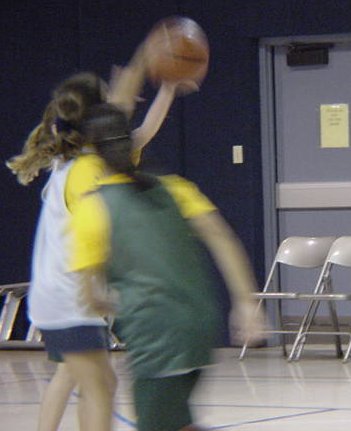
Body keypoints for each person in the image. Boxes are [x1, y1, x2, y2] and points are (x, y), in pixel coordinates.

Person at [6, 40, 196, 431]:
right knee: (101, 387)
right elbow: (129, 122)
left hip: (55, 295)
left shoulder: (69, 159)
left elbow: (136, 130)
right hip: (72, 295)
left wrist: (162, 87)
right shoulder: (90, 165)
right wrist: (145, 60)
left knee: (75, 378)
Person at [70, 103, 267, 431]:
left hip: (154, 335)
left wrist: (114, 302)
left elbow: (91, 298)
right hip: (199, 325)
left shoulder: (92, 208)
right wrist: (246, 303)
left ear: (92, 154)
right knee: (176, 420)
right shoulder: (174, 188)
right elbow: (222, 237)